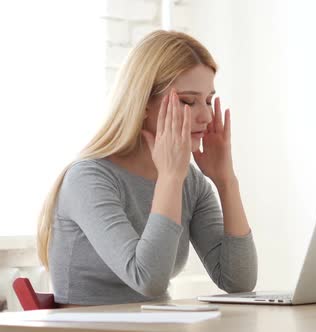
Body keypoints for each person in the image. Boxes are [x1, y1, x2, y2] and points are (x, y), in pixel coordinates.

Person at [36, 30, 257, 306]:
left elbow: (238, 282)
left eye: (209, 100)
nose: (207, 116)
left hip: (155, 324)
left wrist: (226, 181)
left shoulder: (190, 182)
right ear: (143, 105)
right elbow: (148, 279)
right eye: (188, 101)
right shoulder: (88, 180)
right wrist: (170, 178)